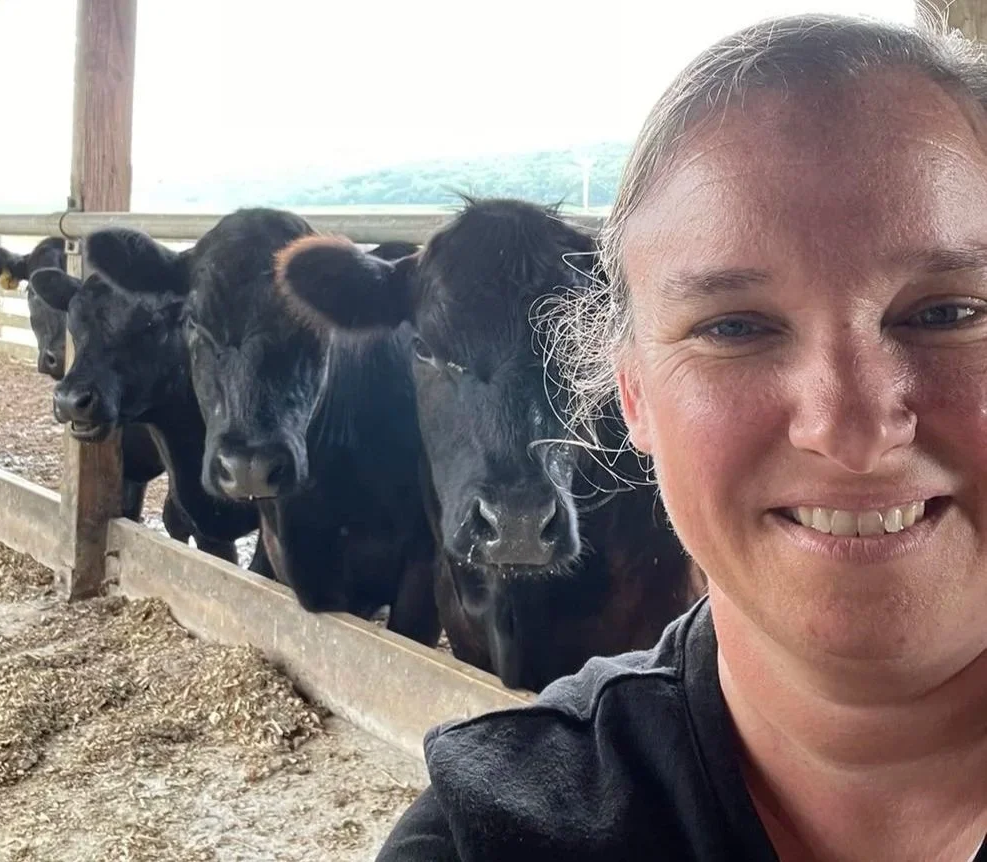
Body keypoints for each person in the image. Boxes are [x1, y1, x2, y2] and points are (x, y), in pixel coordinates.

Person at [376, 11, 987, 861]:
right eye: (735, 327)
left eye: (950, 313)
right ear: (631, 393)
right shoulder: (490, 839)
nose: (849, 431)